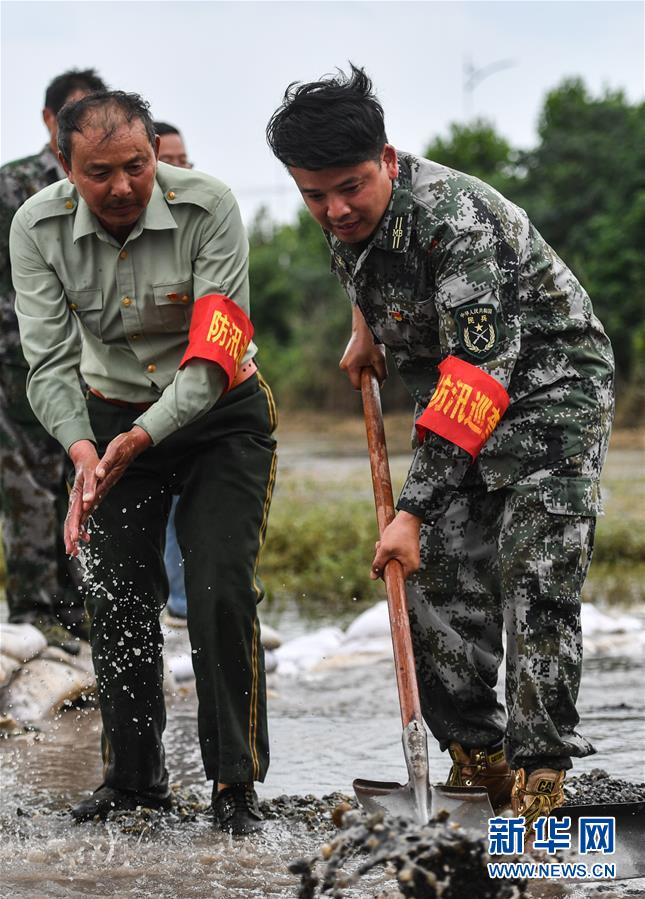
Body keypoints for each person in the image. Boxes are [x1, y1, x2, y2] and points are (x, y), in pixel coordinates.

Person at [266, 65, 614, 839]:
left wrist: (412, 510)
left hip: (549, 394)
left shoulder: (458, 223)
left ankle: (539, 778)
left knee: (534, 578)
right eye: (314, 195)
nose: (334, 208)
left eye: (350, 187)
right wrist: (363, 328)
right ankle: (477, 760)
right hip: (456, 398)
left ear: (386, 160)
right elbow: (365, 269)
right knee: (433, 588)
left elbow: (477, 376)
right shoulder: (340, 215)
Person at [10, 90, 277, 835]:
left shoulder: (209, 207)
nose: (123, 186)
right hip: (108, 415)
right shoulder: (36, 227)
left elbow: (215, 352)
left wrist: (142, 437)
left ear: (155, 152)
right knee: (118, 595)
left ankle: (234, 784)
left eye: (137, 165)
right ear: (65, 165)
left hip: (221, 414)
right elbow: (48, 360)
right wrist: (84, 449)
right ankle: (133, 781)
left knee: (220, 585)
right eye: (100, 173)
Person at [0, 68, 107, 653]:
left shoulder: (106, 181)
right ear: (49, 120)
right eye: (75, 114)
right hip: (17, 361)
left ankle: (75, 607)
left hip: (90, 362)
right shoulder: (13, 185)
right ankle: (33, 608)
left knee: (82, 480)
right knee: (28, 486)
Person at [152, 120, 193, 624]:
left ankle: (184, 602)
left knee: (191, 502)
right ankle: (173, 602)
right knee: (160, 503)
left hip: (198, 385)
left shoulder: (203, 220)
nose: (181, 172)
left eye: (186, 162)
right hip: (143, 396)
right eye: (172, 163)